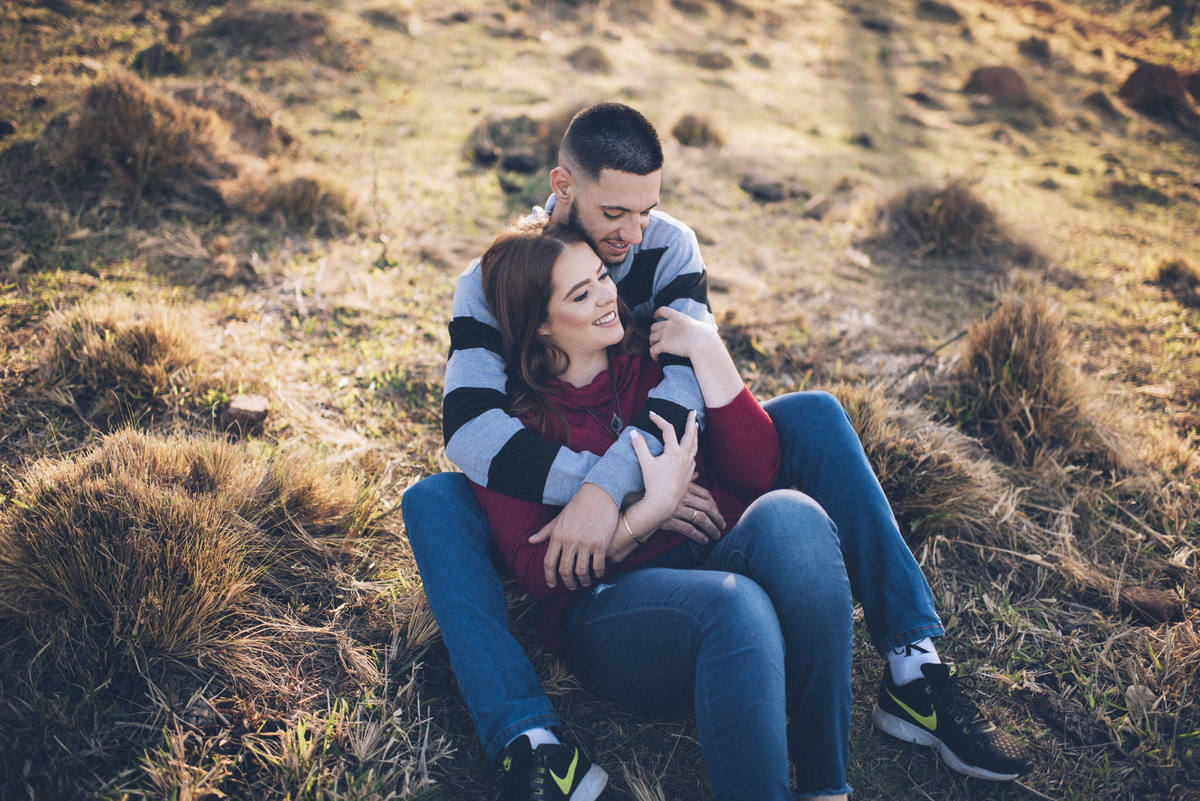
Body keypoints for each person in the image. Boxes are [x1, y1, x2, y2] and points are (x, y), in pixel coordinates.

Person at [399, 103, 1029, 801]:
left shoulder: (668, 246)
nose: (632, 236)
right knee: (433, 498)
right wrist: (629, 496)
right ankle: (531, 743)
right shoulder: (493, 281)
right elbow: (470, 429)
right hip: (549, 481)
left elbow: (682, 392)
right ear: (564, 186)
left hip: (659, 459)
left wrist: (625, 485)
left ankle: (914, 666)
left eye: (646, 210)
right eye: (615, 213)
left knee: (814, 417)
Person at [471, 220, 854, 800]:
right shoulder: (513, 428)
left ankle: (826, 785)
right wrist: (650, 510)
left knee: (793, 516)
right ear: (539, 324)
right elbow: (538, 572)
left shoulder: (656, 367)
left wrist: (706, 347)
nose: (608, 297)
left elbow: (758, 471)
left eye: (602, 278)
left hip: (711, 552)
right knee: (735, 605)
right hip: (614, 610)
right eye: (581, 294)